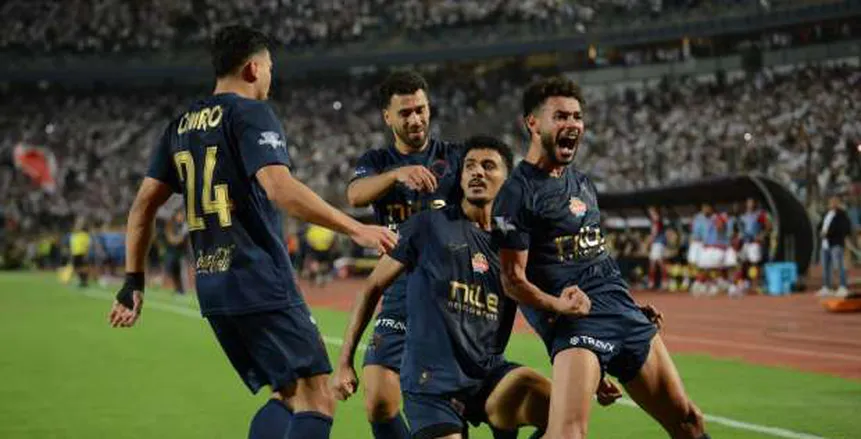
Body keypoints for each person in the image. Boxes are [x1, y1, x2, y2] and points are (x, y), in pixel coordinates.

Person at [107, 25, 397, 439]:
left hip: (212, 286)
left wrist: (132, 281)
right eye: (269, 68)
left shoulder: (180, 126)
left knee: (290, 394)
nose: (270, 78)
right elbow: (280, 189)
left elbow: (142, 208)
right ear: (252, 68)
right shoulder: (250, 113)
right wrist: (356, 228)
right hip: (257, 277)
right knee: (318, 398)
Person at [334, 136, 651, 439]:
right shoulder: (425, 226)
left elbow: (546, 311)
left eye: (488, 166)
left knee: (563, 414)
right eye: (470, 166)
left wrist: (597, 363)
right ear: (460, 178)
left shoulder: (516, 245)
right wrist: (345, 363)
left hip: (488, 377)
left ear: (507, 181)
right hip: (431, 386)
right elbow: (371, 288)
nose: (477, 173)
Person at [492, 77, 708, 439]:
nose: (572, 124)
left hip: (621, 311)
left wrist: (629, 305)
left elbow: (596, 258)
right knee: (568, 435)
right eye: (560, 116)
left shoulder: (583, 184)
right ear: (533, 123)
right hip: (579, 326)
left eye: (577, 117)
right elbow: (513, 281)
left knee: (688, 420)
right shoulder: (516, 194)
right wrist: (559, 310)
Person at [345, 70, 463, 439]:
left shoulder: (455, 157)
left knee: (453, 404)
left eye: (420, 109)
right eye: (405, 113)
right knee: (378, 402)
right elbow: (355, 195)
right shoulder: (378, 160)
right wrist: (397, 174)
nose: (415, 119)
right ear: (388, 117)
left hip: (450, 294)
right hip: (398, 287)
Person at [818, 195, 852, 298]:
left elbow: (844, 229)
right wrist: (820, 232)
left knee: (839, 266)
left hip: (836, 244)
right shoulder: (826, 214)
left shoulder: (842, 215)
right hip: (825, 244)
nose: (832, 204)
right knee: (825, 267)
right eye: (831, 202)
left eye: (835, 202)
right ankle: (827, 287)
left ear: (838, 203)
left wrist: (828, 233)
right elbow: (820, 225)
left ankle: (843, 286)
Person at [646, 206, 667, 290]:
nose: (650, 214)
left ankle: (664, 282)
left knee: (659, 262)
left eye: (652, 212)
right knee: (653, 263)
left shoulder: (656, 220)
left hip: (658, 244)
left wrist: (649, 242)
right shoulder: (656, 220)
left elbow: (654, 233)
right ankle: (652, 282)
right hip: (657, 243)